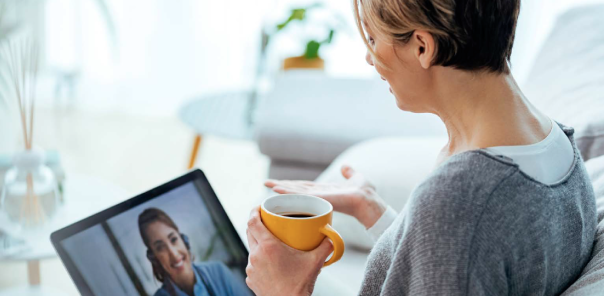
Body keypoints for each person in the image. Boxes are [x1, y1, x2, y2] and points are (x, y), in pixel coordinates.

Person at [245, 0, 597, 295]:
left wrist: (285, 290)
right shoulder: (555, 143)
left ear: (422, 47)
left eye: (372, 37)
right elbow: (460, 266)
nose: (370, 58)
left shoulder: (461, 200)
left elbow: (463, 232)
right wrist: (372, 210)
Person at [139, 208, 252, 296]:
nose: (173, 253)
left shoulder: (217, 271)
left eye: (174, 239)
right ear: (153, 258)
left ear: (183, 240)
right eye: (160, 248)